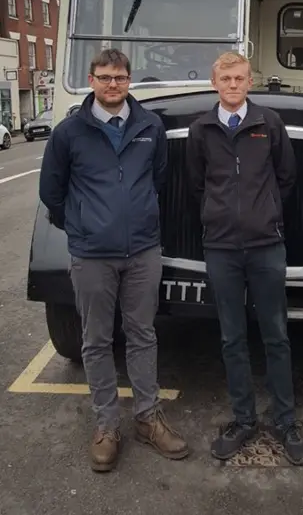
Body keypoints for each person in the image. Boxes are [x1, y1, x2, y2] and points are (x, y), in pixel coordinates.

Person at [39, 48, 189, 472]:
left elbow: (158, 179)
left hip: (142, 251)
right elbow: (52, 192)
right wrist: (83, 228)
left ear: (129, 81)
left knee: (143, 335)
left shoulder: (150, 126)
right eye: (104, 77)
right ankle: (106, 424)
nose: (112, 85)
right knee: (97, 340)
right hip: (91, 256)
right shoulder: (69, 133)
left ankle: (147, 417)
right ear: (91, 80)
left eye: (119, 78)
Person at [186, 51, 303, 466]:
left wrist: (266, 213)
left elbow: (287, 177)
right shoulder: (201, 129)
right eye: (226, 78)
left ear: (250, 81)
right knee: (232, 338)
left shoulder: (268, 124)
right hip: (221, 248)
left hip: (266, 246)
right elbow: (196, 184)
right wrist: (218, 217)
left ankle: (286, 421)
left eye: (240, 77)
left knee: (276, 335)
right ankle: (243, 419)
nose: (233, 84)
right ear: (214, 81)